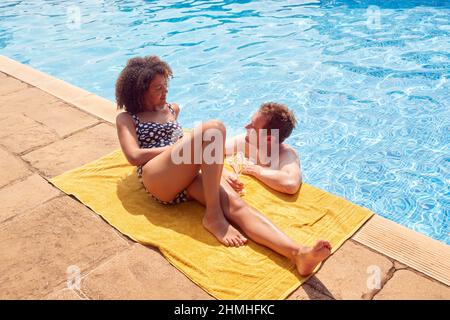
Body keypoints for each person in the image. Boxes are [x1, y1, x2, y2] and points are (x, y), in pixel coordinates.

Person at [115, 55, 331, 276]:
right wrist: (194, 152)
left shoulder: (172, 109)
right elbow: (133, 156)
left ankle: (297, 254)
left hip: (186, 173)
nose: (165, 92)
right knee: (213, 129)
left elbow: (187, 146)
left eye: (166, 86)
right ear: (139, 92)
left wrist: (218, 169)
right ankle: (213, 215)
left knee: (237, 205)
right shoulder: (127, 118)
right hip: (158, 178)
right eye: (158, 88)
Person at [224, 102, 302, 195]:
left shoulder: (286, 155)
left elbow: (290, 184)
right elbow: (209, 150)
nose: (246, 127)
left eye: (253, 127)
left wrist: (258, 171)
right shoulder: (246, 141)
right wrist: (222, 173)